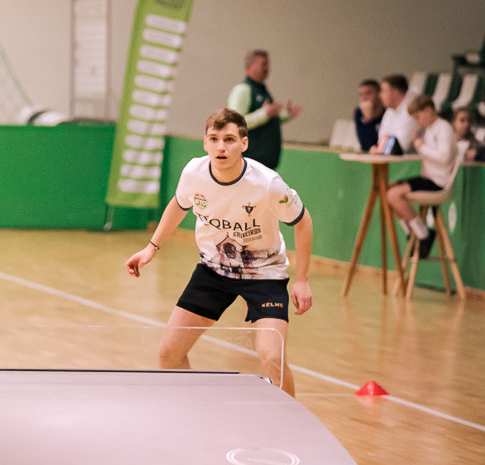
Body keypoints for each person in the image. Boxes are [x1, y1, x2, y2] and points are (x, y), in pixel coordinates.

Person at [124, 107, 313, 396]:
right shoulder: (194, 173)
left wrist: (301, 280)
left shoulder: (267, 184)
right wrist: (151, 248)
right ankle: (191, 410)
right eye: (214, 139)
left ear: (244, 143)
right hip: (213, 271)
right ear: (205, 143)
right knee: (169, 354)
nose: (220, 147)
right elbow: (179, 204)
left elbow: (303, 221)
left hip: (264, 275)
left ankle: (290, 417)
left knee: (272, 357)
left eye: (229, 139)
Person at [384, 95, 458, 259]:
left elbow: (445, 157)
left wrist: (421, 147)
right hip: (429, 178)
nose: (417, 122)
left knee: (394, 195)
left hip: (439, 182)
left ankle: (423, 234)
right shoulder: (430, 129)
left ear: (429, 110)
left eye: (418, 117)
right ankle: (413, 232)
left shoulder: (443, 128)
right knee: (387, 191)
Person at [226, 49, 301, 169]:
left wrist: (284, 115)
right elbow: (234, 123)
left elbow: (266, 120)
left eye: (268, 64)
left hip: (265, 167)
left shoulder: (263, 90)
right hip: (249, 165)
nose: (267, 68)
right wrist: (264, 114)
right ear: (249, 66)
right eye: (263, 64)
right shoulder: (242, 90)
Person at [372, 74, 417, 155]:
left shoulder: (412, 108)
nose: (379, 95)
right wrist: (379, 148)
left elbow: (401, 146)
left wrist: (380, 149)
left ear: (395, 93)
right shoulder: (390, 109)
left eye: (383, 91)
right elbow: (382, 139)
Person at [354, 79, 385, 151]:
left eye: (368, 93)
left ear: (379, 94)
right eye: (361, 94)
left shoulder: (387, 111)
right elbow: (366, 146)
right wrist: (368, 120)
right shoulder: (359, 113)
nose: (364, 98)